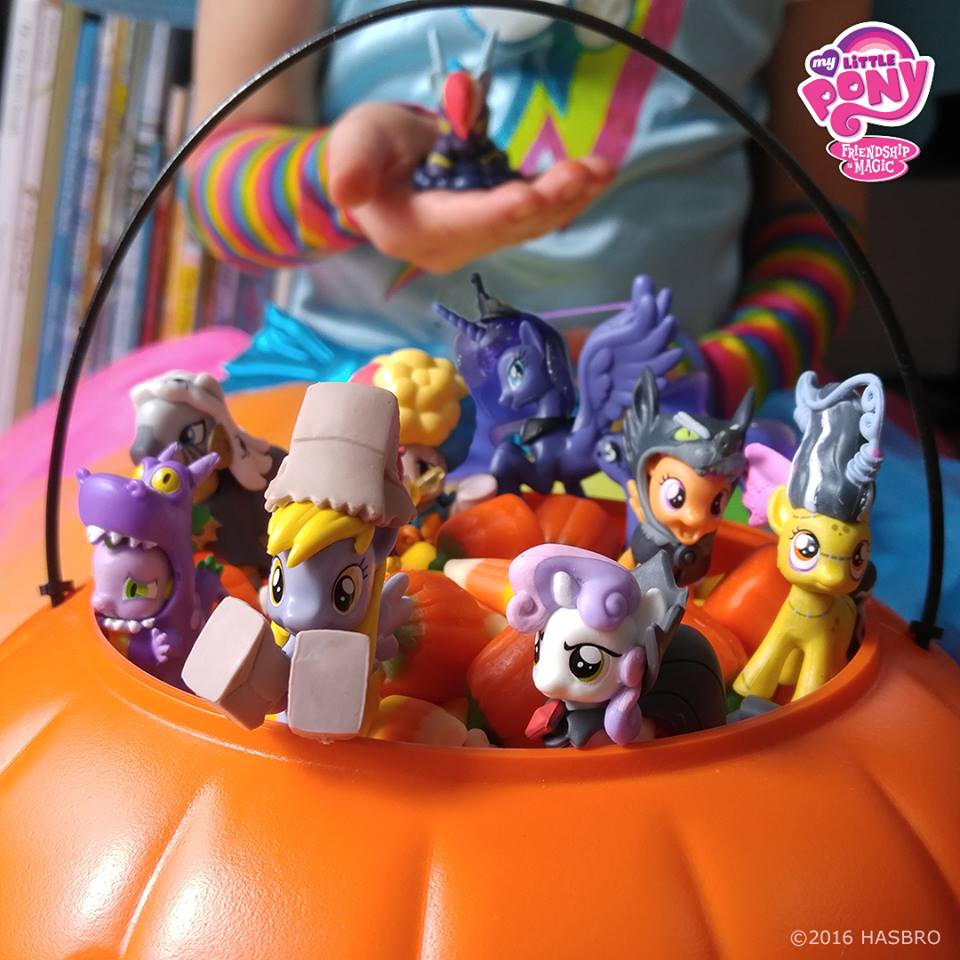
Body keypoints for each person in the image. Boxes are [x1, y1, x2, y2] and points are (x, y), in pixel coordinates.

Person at [185, 0, 869, 416]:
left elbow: (825, 225)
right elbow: (211, 196)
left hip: (679, 422)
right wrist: (338, 189)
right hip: (344, 394)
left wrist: (718, 374)